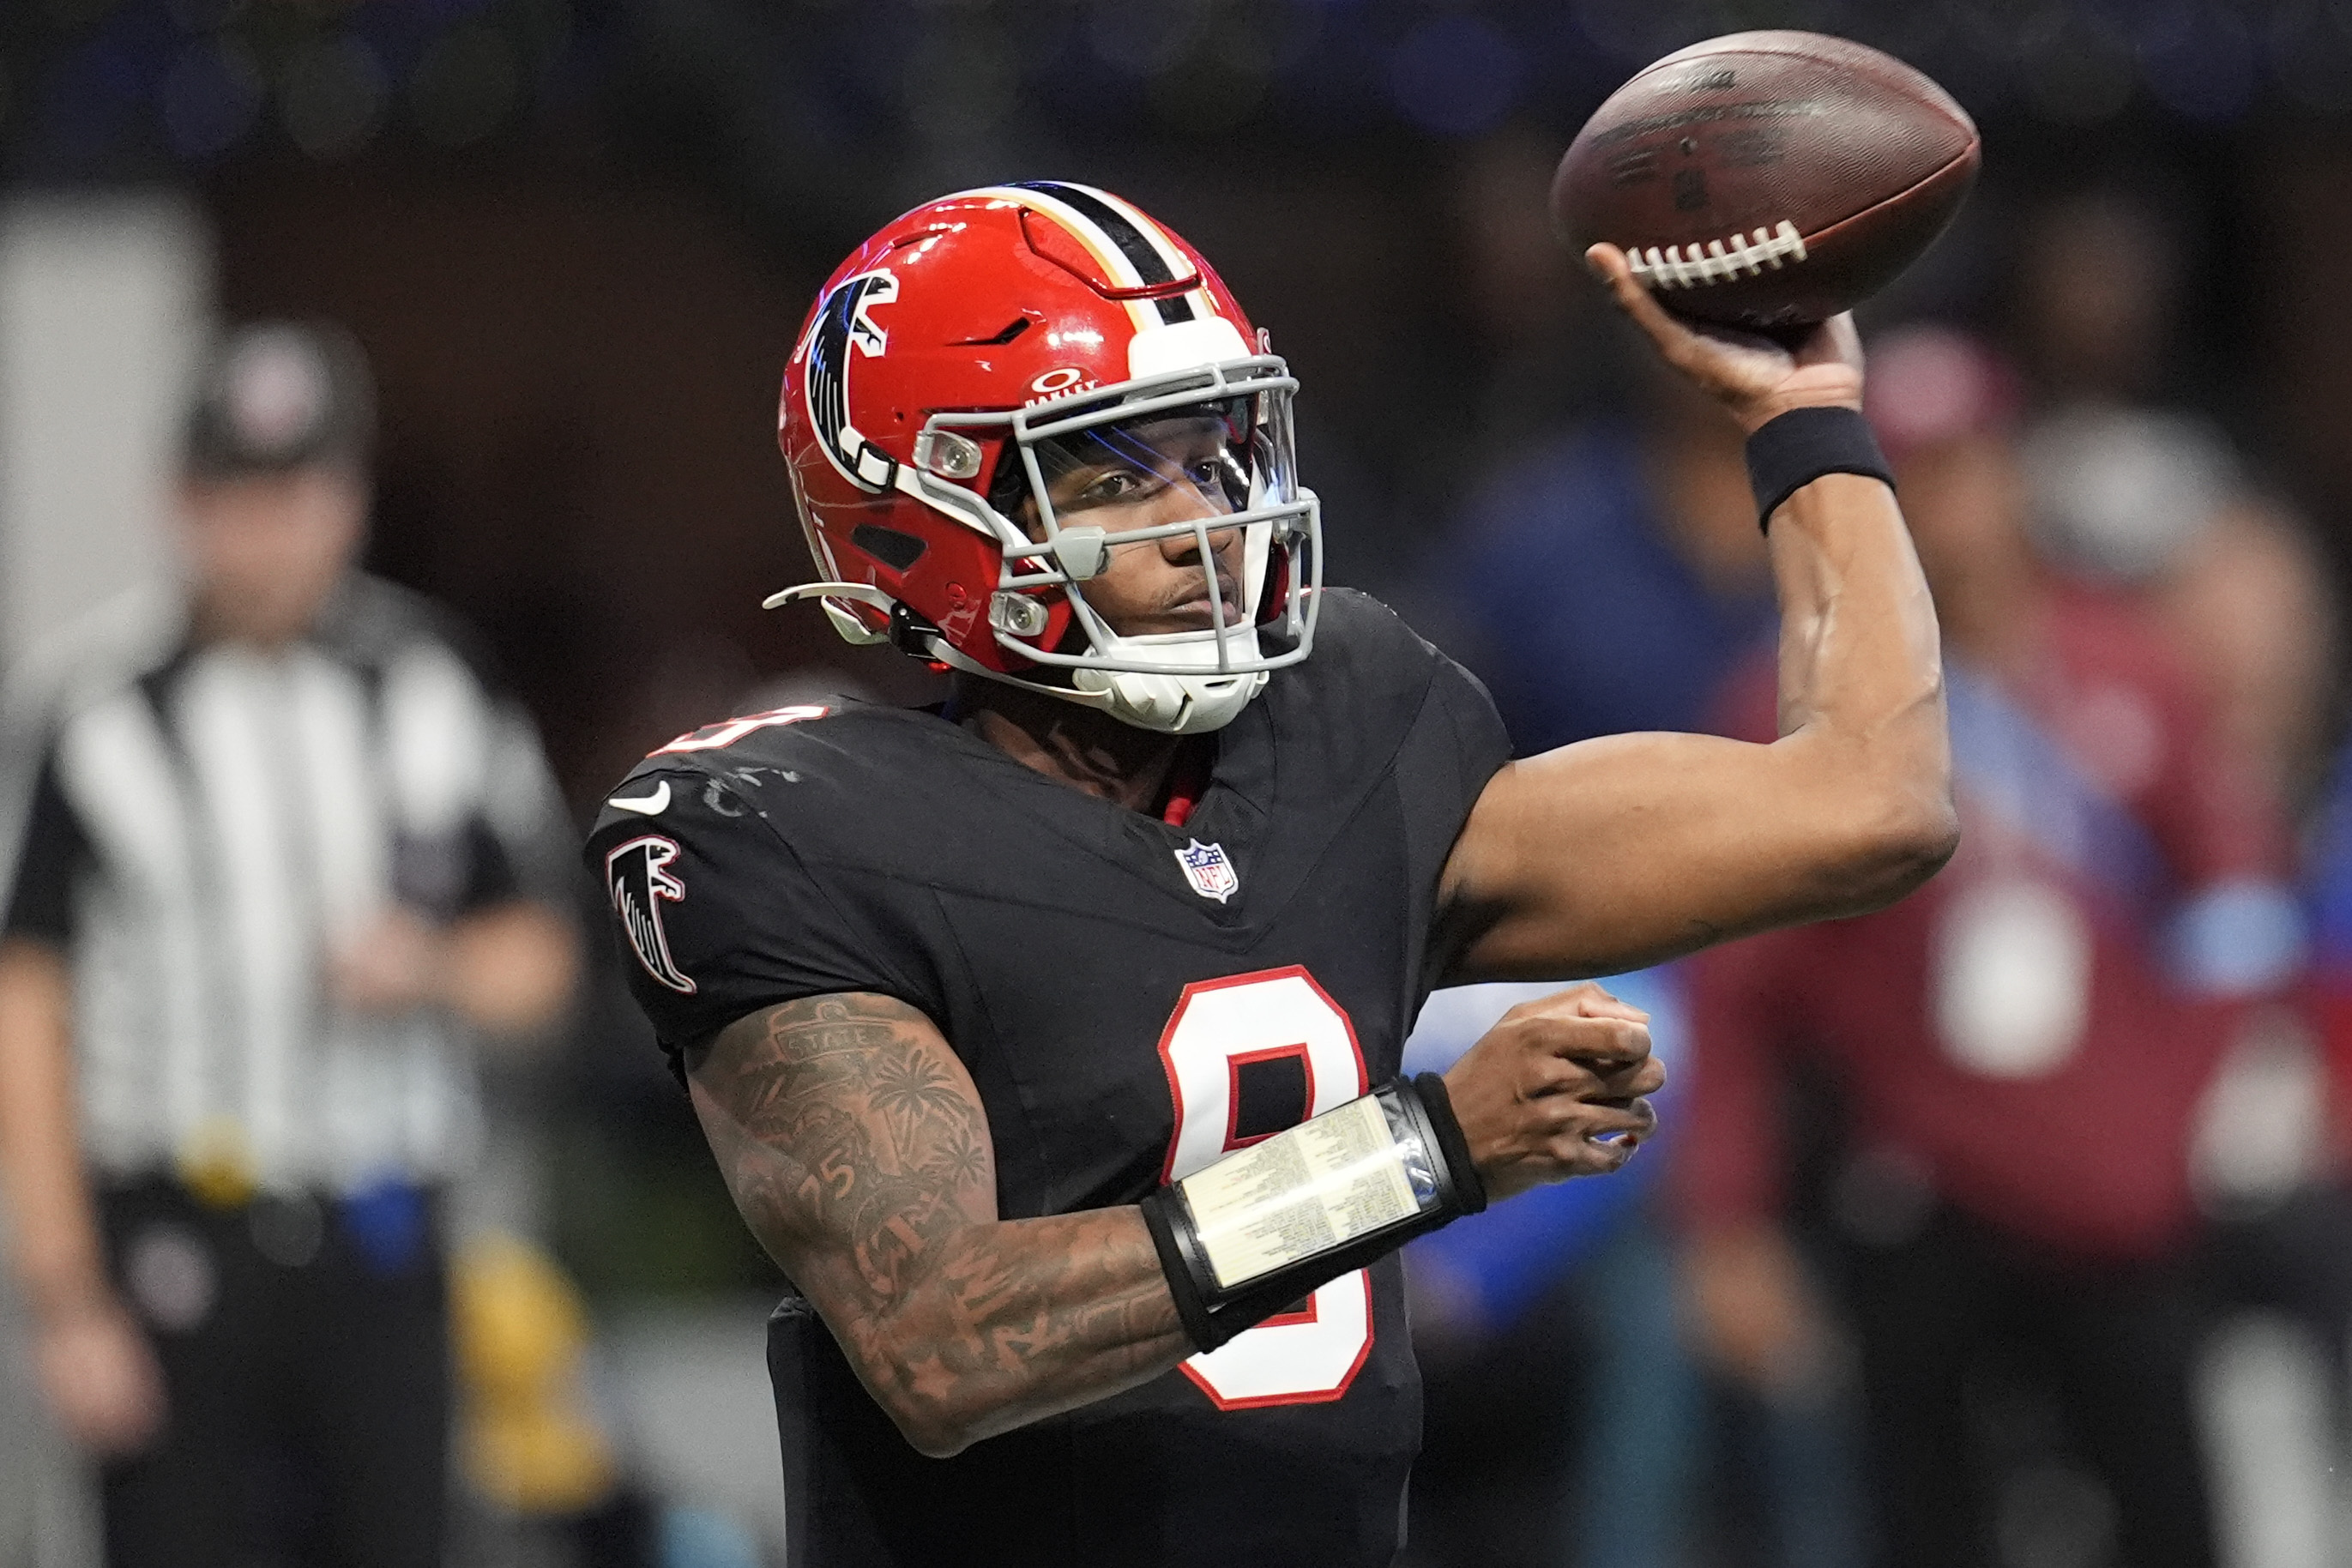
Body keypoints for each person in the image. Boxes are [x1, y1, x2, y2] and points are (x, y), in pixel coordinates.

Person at [586, 182, 1957, 1566]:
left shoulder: (1346, 738)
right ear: (926, 512)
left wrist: (1804, 420)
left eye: (1216, 453)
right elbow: (945, 1342)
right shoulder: (786, 828)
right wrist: (1427, 1149)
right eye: (1118, 474)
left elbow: (1869, 803)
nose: (1199, 520)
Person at [1674, 326, 2302, 1568]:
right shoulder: (1793, 706)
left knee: (2170, 1510)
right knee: (1922, 1521)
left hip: (2119, 1198)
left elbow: (2236, 909)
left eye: (1964, 466)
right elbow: (1737, 995)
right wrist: (1727, 1221)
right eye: (1906, 477)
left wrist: (2168, 1111)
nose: (1945, 509)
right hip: (1920, 1188)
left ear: (2010, 467)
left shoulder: (2132, 672)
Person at [0, 322, 579, 1568]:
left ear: (350, 499)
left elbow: (541, 956)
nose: (271, 530)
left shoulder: (434, 682)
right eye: (239, 495)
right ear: (182, 503)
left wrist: (428, 969)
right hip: (173, 1237)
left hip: (381, 1236)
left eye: (299, 491)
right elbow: (26, 1001)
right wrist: (63, 1294)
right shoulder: (93, 706)